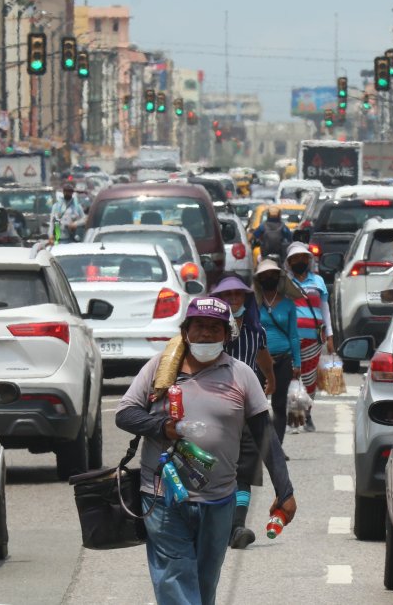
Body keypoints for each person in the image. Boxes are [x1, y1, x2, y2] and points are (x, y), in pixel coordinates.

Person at [116, 298, 297, 605]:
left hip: (219, 500)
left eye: (215, 328)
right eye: (199, 326)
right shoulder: (160, 369)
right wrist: (163, 428)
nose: (206, 335)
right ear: (186, 331)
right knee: (175, 578)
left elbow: (264, 434)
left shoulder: (241, 374)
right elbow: (125, 414)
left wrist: (285, 490)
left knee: (203, 583)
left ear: (227, 336)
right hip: (162, 495)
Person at [209, 275, 278, 550]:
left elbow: (262, 354)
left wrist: (271, 377)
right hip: (214, 406)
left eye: (239, 296)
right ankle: (216, 524)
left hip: (246, 407)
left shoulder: (254, 329)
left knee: (245, 470)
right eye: (228, 297)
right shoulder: (211, 330)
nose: (234, 300)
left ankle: (237, 526)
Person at [254, 259, 302, 444]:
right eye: (265, 275)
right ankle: (259, 445)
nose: (269, 278)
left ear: (279, 278)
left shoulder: (288, 305)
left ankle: (277, 447)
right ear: (259, 279)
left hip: (284, 359)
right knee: (257, 405)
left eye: (272, 275)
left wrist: (297, 363)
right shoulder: (254, 304)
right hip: (259, 360)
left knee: (279, 404)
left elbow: (294, 335)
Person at [285, 242, 332, 432]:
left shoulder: (318, 281)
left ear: (309, 260)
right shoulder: (284, 282)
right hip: (290, 339)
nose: (300, 261)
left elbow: (325, 310)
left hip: (313, 338)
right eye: (295, 258)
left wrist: (330, 335)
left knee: (310, 379)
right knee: (291, 377)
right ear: (289, 262)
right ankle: (293, 417)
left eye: (303, 258)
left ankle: (308, 414)